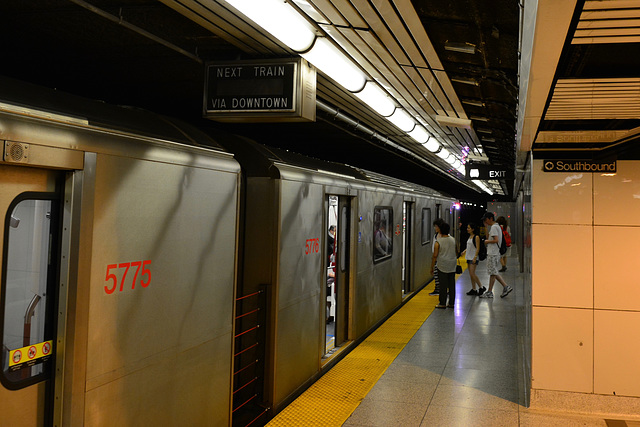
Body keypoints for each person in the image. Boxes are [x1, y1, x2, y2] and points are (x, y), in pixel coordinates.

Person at [479, 212, 513, 298]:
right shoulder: (497, 226)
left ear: (491, 218)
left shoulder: (494, 227)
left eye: (486, 219)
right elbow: (490, 237)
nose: (485, 221)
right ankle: (496, 290)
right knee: (493, 272)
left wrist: (486, 242)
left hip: (493, 253)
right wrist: (486, 228)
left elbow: (496, 240)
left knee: (493, 272)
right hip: (495, 252)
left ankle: (501, 288)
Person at [430, 222, 457, 308]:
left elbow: (435, 255)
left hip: (442, 265)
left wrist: (431, 267)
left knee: (443, 285)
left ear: (441, 230)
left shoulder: (438, 242)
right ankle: (451, 303)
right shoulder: (453, 239)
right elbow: (457, 251)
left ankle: (442, 303)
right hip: (452, 264)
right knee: (452, 284)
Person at [460, 223, 486, 296]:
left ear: (473, 229)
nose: (467, 229)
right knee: (471, 274)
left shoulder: (476, 237)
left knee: (472, 273)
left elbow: (477, 248)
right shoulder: (470, 236)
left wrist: (475, 257)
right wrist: (464, 251)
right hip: (468, 256)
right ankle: (474, 289)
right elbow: (469, 246)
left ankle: (481, 287)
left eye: (469, 228)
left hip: (473, 257)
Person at [429, 219, 445, 296]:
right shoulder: (435, 235)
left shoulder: (445, 236)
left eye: (436, 226)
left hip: (442, 258)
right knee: (436, 274)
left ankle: (441, 290)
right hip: (436, 258)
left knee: (441, 275)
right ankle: (437, 289)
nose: (435, 228)